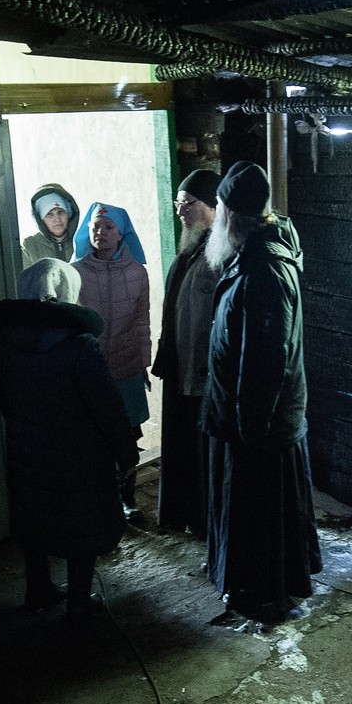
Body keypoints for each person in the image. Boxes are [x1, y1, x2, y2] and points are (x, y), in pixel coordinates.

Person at [200, 161, 322, 626]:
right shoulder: (251, 257)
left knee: (264, 515)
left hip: (258, 425)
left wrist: (249, 427)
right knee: (255, 512)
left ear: (230, 215)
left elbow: (267, 361)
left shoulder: (264, 270)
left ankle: (267, 597)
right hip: (247, 419)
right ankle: (251, 589)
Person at [0, 259, 138, 622]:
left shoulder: (7, 337)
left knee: (34, 516)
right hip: (79, 456)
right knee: (81, 523)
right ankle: (78, 605)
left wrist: (27, 427)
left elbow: (0, 390)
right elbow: (106, 406)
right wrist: (126, 452)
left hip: (27, 449)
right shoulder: (79, 345)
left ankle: (38, 590)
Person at [151, 169, 224, 534]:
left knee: (202, 449)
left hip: (204, 369)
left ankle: (204, 518)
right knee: (182, 444)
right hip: (181, 363)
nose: (180, 211)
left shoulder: (222, 251)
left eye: (188, 203)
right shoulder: (189, 249)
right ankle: (185, 514)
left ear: (212, 206)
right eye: (177, 203)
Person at [72, 202, 152, 520]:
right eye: (95, 227)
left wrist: (143, 362)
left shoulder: (137, 273)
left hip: (126, 368)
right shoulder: (75, 272)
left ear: (121, 234)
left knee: (128, 438)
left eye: (108, 227)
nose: (100, 232)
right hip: (89, 370)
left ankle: (128, 499)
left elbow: (142, 321)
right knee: (94, 439)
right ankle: (103, 500)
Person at [20, 184, 80, 268]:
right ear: (41, 220)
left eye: (60, 212)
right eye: (49, 214)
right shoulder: (30, 246)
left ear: (69, 215)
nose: (57, 219)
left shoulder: (81, 241)